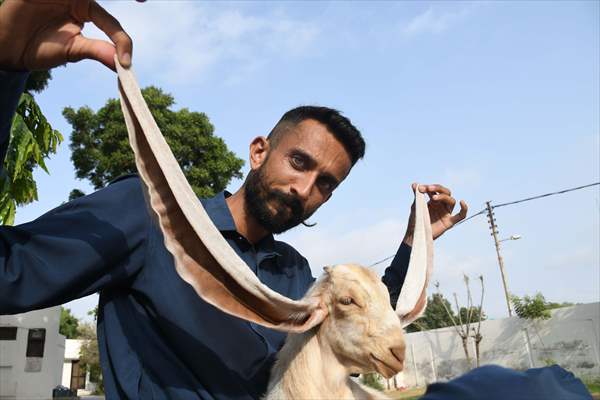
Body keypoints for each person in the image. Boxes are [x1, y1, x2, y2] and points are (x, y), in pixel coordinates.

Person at [1, 2, 590, 400]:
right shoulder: (150, 217)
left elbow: (353, 314)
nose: (305, 190)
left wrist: (416, 243)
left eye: (327, 184)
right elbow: (8, 274)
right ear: (259, 151)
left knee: (534, 388)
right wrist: (4, 64)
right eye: (299, 163)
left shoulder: (293, 274)